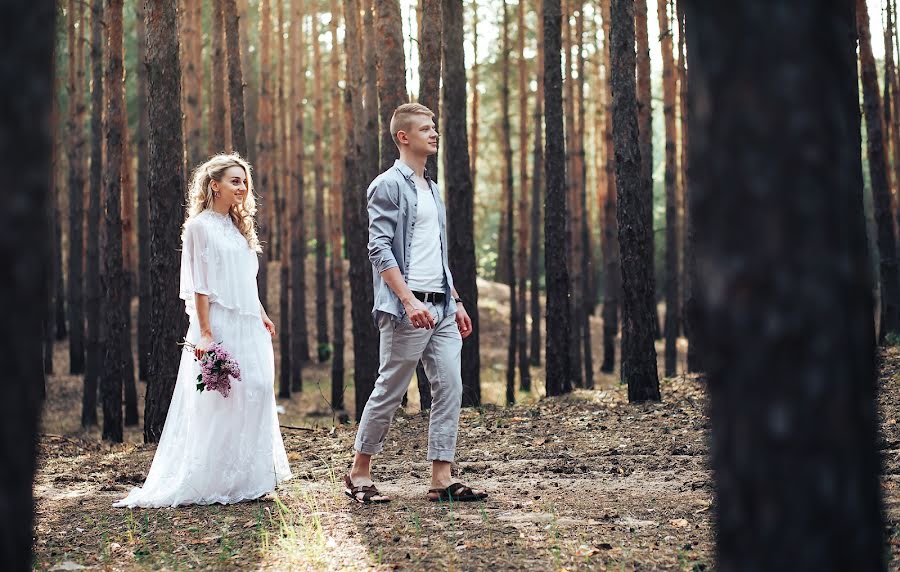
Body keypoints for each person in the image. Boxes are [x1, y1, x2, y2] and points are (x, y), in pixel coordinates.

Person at [114, 153, 292, 508]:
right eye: (234, 181)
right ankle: (216, 480)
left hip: (249, 325)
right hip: (220, 323)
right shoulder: (199, 227)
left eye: (244, 181)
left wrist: (261, 313)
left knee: (255, 392)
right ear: (214, 185)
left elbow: (244, 279)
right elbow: (199, 285)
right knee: (221, 400)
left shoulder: (240, 227)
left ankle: (250, 478)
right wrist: (206, 334)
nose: (242, 187)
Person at [345, 103, 487, 503]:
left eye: (435, 127)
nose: (434, 133)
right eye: (426, 129)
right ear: (403, 137)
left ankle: (441, 477)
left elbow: (437, 254)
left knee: (450, 386)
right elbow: (379, 249)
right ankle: (359, 473)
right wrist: (408, 302)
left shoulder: (432, 188)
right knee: (390, 389)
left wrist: (455, 300)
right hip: (408, 309)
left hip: (440, 307)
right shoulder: (387, 185)